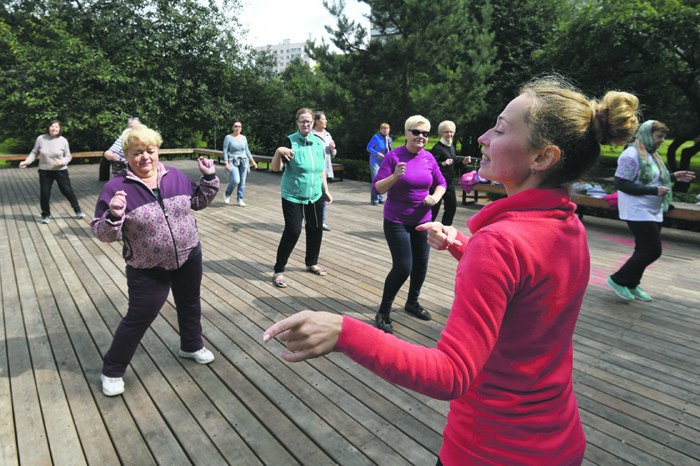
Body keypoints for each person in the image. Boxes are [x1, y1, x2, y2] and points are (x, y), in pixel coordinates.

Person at [262, 76, 642, 466]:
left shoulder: (500, 244)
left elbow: (451, 374)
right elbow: (529, 294)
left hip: (489, 450)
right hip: (559, 441)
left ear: (542, 158)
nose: (482, 137)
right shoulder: (568, 227)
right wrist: (463, 245)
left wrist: (345, 331)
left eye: (499, 128)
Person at [91, 125, 219, 397]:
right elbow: (102, 233)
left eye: (150, 150)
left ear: (158, 151)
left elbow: (198, 201)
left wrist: (208, 178)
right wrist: (114, 214)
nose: (145, 157)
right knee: (139, 317)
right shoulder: (116, 188)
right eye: (137, 152)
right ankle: (112, 369)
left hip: (188, 255)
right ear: (126, 155)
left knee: (189, 303)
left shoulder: (175, 176)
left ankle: (191, 345)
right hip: (147, 268)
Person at [372, 115, 446, 332]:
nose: (421, 136)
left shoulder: (429, 158)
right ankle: (384, 311)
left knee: (421, 265)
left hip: (423, 222)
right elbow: (377, 188)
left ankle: (412, 302)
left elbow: (441, 183)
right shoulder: (393, 157)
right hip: (396, 220)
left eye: (425, 133)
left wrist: (435, 197)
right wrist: (395, 176)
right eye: (416, 132)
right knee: (404, 267)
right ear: (406, 134)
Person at [606, 121, 695, 301]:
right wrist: (654, 191)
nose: (663, 140)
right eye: (659, 136)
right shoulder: (631, 155)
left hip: (653, 208)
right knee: (652, 250)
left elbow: (651, 179)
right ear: (647, 135)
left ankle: (632, 283)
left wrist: (673, 176)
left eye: (663, 136)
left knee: (642, 249)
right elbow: (620, 183)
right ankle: (618, 279)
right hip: (637, 210)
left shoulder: (650, 154)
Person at [271, 108, 333, 289]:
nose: (305, 124)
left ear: (313, 123)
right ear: (297, 123)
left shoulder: (317, 142)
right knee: (293, 231)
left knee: (315, 228)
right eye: (302, 121)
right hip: (293, 195)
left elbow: (320, 167)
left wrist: (325, 189)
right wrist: (278, 152)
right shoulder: (290, 141)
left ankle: (311, 262)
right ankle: (279, 269)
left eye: (308, 121)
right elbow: (276, 168)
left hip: (315, 194)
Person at [20, 119, 85, 224]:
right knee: (45, 193)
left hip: (60, 171)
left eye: (57, 127)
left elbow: (68, 156)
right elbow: (34, 152)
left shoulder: (63, 140)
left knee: (67, 191)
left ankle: (78, 210)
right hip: (45, 171)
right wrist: (27, 161)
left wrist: (62, 162)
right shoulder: (41, 139)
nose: (54, 128)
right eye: (52, 126)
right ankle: (45, 215)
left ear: (59, 129)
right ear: (48, 127)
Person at [429, 120, 470, 226]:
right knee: (434, 209)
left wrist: (463, 163)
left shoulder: (451, 147)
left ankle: (445, 228)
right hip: (437, 184)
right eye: (446, 132)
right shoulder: (437, 148)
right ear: (441, 133)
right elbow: (430, 165)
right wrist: (443, 163)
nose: (449, 134)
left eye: (451, 132)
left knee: (451, 207)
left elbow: (453, 165)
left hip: (449, 184)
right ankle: (424, 230)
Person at [222, 120, 258, 206]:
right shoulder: (228, 137)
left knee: (242, 181)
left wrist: (253, 161)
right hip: (233, 160)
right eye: (236, 126)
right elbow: (225, 150)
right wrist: (226, 162)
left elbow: (247, 150)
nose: (238, 128)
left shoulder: (244, 137)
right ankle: (227, 194)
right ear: (233, 127)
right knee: (236, 180)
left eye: (239, 126)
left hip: (244, 161)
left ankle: (240, 199)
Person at [312, 111, 337, 231]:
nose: (326, 121)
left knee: (323, 198)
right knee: (311, 197)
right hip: (313, 172)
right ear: (316, 121)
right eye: (324, 119)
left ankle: (321, 222)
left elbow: (333, 154)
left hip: (326, 172)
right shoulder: (310, 135)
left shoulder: (328, 135)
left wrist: (332, 150)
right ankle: (310, 220)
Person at [367, 123, 393, 205]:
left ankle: (380, 198)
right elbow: (369, 147)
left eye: (387, 129)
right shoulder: (376, 137)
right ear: (380, 130)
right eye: (383, 129)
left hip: (384, 162)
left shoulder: (389, 139)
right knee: (376, 179)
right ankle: (374, 199)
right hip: (375, 161)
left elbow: (390, 150)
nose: (385, 130)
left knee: (383, 179)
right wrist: (377, 153)